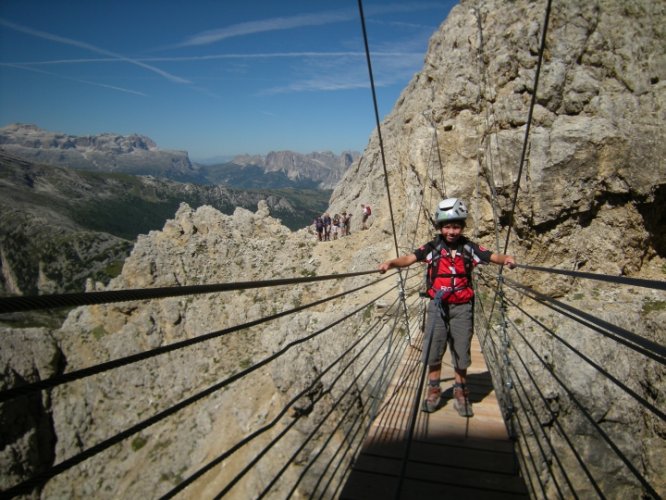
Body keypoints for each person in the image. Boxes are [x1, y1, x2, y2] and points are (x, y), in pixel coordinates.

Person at [378, 198, 516, 416]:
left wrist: (506, 258)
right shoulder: (432, 248)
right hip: (438, 306)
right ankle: (434, 389)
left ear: (461, 226)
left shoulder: (469, 248)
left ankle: (461, 392)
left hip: (462, 307)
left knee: (461, 350)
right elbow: (409, 258)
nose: (451, 231)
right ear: (440, 227)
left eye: (456, 226)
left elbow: (490, 256)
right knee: (434, 347)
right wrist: (391, 264)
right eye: (447, 226)